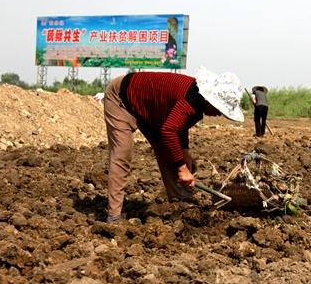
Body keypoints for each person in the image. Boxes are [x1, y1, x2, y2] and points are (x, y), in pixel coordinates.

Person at [103, 66, 244, 223]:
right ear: (211, 99)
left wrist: (184, 151)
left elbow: (178, 126)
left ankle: (181, 204)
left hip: (151, 110)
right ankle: (114, 216)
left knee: (171, 153)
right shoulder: (191, 99)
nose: (220, 114)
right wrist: (182, 169)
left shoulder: (197, 103)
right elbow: (169, 131)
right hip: (122, 98)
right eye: (220, 109)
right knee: (122, 154)